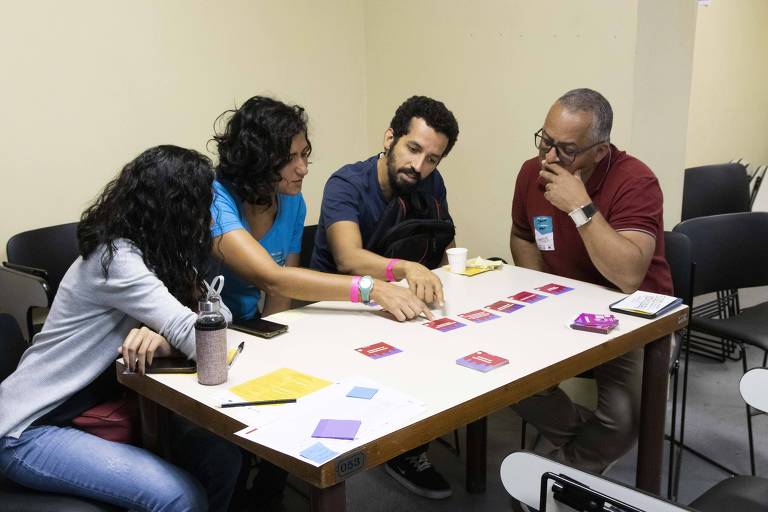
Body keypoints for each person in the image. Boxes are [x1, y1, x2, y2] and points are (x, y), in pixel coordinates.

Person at [0, 145, 242, 511]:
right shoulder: (116, 260)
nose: (211, 220)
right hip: (31, 429)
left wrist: (163, 337)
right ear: (176, 209)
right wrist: (174, 337)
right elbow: (205, 341)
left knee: (221, 455)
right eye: (205, 206)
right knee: (182, 497)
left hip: (93, 406)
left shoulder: (161, 252)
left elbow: (220, 315)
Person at [509, 88, 673, 474]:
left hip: (633, 317)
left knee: (625, 417)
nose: (549, 156)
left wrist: (580, 207)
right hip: (563, 307)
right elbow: (523, 235)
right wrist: (543, 290)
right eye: (545, 141)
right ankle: (584, 454)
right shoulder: (532, 173)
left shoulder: (636, 180)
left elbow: (630, 275)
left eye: (565, 149)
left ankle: (558, 475)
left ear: (600, 151)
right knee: (498, 376)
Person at [311, 95, 460, 499]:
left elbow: (438, 237)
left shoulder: (431, 184)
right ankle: (396, 448)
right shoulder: (346, 183)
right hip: (336, 311)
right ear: (390, 137)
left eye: (432, 159)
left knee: (455, 347)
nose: (420, 166)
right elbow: (348, 258)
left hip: (395, 305)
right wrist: (407, 268)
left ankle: (411, 445)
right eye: (413, 149)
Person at [209, 95, 432, 323]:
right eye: (289, 158)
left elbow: (283, 292)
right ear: (256, 159)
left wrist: (269, 339)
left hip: (247, 325)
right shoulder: (215, 200)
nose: (303, 169)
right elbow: (274, 279)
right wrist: (371, 288)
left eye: (304, 154)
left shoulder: (292, 201)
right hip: (201, 333)